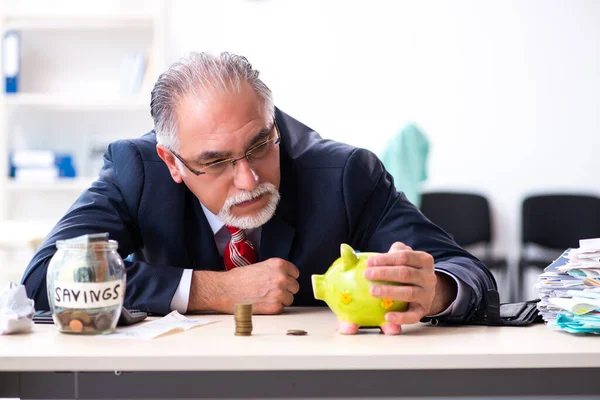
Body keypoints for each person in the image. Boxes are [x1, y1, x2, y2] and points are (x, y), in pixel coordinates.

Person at [22, 52, 496, 331]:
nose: (249, 180)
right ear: (172, 162)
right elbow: (44, 279)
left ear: (273, 123)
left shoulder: (346, 174)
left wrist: (433, 290)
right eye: (214, 162)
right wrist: (212, 289)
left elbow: (471, 275)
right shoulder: (135, 169)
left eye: (260, 144)